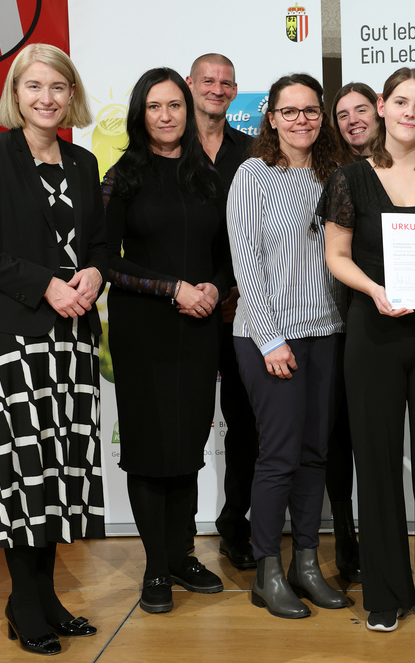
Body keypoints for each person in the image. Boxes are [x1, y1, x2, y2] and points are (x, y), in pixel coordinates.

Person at [0, 43, 106, 656]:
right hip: (13, 339)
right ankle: (23, 600)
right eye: (35, 86)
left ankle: (45, 596)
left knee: (58, 471)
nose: (47, 98)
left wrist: (93, 273)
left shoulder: (84, 162)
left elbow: (94, 243)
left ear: (72, 95)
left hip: (72, 341)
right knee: (22, 474)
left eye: (58, 87)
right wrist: (43, 283)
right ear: (16, 94)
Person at [319, 67, 415, 632]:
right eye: (401, 101)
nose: (411, 112)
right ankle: (385, 593)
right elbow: (337, 257)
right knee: (376, 464)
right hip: (374, 331)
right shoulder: (349, 179)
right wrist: (376, 291)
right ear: (381, 107)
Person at [102, 67, 229, 614]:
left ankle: (180, 555)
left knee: (187, 449)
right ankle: (156, 567)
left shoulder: (210, 177)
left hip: (199, 329)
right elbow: (105, 261)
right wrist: (171, 287)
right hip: (144, 331)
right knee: (150, 451)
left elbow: (231, 254)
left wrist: (213, 289)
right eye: (154, 106)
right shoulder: (121, 177)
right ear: (140, 114)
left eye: (174, 104)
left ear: (189, 109)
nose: (166, 115)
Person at [227, 73, 350, 619]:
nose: (302, 119)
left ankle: (306, 564)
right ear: (270, 118)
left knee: (314, 454)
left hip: (325, 333)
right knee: (277, 456)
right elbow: (246, 263)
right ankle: (266, 570)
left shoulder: (335, 177)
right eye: (290, 110)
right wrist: (271, 338)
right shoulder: (252, 175)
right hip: (265, 337)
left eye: (311, 111)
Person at [184, 53, 257, 572]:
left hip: (239, 310)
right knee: (184, 426)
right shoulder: (162, 145)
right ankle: (178, 540)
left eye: (225, 82)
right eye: (207, 79)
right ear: (190, 84)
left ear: (235, 91)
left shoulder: (254, 154)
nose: (216, 88)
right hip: (182, 309)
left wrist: (236, 289)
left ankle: (236, 526)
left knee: (246, 424)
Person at [324, 80, 380, 583]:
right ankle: (345, 529)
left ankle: (379, 530)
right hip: (335, 320)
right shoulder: (329, 173)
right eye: (342, 114)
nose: (353, 120)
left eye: (361, 109)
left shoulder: (409, 169)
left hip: (390, 322)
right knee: (339, 431)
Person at [332, 82, 378, 156]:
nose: (352, 120)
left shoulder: (399, 162)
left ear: (378, 112)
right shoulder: (332, 167)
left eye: (361, 111)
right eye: (343, 116)